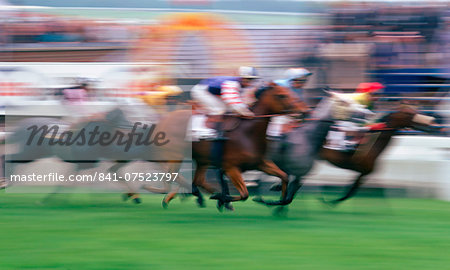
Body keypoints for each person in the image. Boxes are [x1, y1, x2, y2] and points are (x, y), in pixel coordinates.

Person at [190, 66, 259, 139]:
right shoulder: (232, 84)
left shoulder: (240, 86)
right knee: (218, 109)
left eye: (252, 80)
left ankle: (219, 128)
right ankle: (200, 130)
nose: (250, 83)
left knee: (227, 109)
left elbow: (240, 102)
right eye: (248, 80)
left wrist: (245, 110)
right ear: (241, 78)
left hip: (209, 91)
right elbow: (232, 101)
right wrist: (246, 112)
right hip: (200, 90)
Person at [267, 68, 312, 139]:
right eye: (300, 81)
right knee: (280, 121)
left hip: (289, 112)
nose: (302, 84)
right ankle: (274, 139)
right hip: (277, 111)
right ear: (291, 80)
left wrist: (307, 110)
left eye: (304, 81)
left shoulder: (299, 90)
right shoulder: (281, 85)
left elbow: (300, 102)